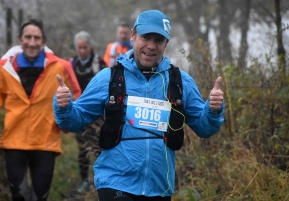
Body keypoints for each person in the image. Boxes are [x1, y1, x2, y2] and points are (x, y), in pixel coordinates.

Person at [53, 10, 224, 201]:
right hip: (114, 181)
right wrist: (64, 106)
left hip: (159, 186)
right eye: (146, 37)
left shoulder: (180, 82)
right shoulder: (107, 78)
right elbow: (74, 120)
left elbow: (204, 128)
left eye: (158, 40)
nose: (151, 46)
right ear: (133, 36)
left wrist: (213, 110)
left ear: (166, 44)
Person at [0, 19, 81, 201]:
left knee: (39, 198)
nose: (32, 42)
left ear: (43, 40)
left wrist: (66, 119)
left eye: (36, 38)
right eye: (27, 37)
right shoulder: (4, 69)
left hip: (46, 141)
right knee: (19, 196)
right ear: (19, 39)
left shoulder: (61, 67)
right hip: (13, 141)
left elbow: (77, 99)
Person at [70, 31, 106, 193]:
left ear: (90, 46)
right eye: (79, 48)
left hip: (98, 115)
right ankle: (84, 182)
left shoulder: (99, 63)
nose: (82, 50)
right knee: (82, 148)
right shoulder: (71, 64)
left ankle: (100, 181)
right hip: (79, 113)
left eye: (85, 47)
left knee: (99, 148)